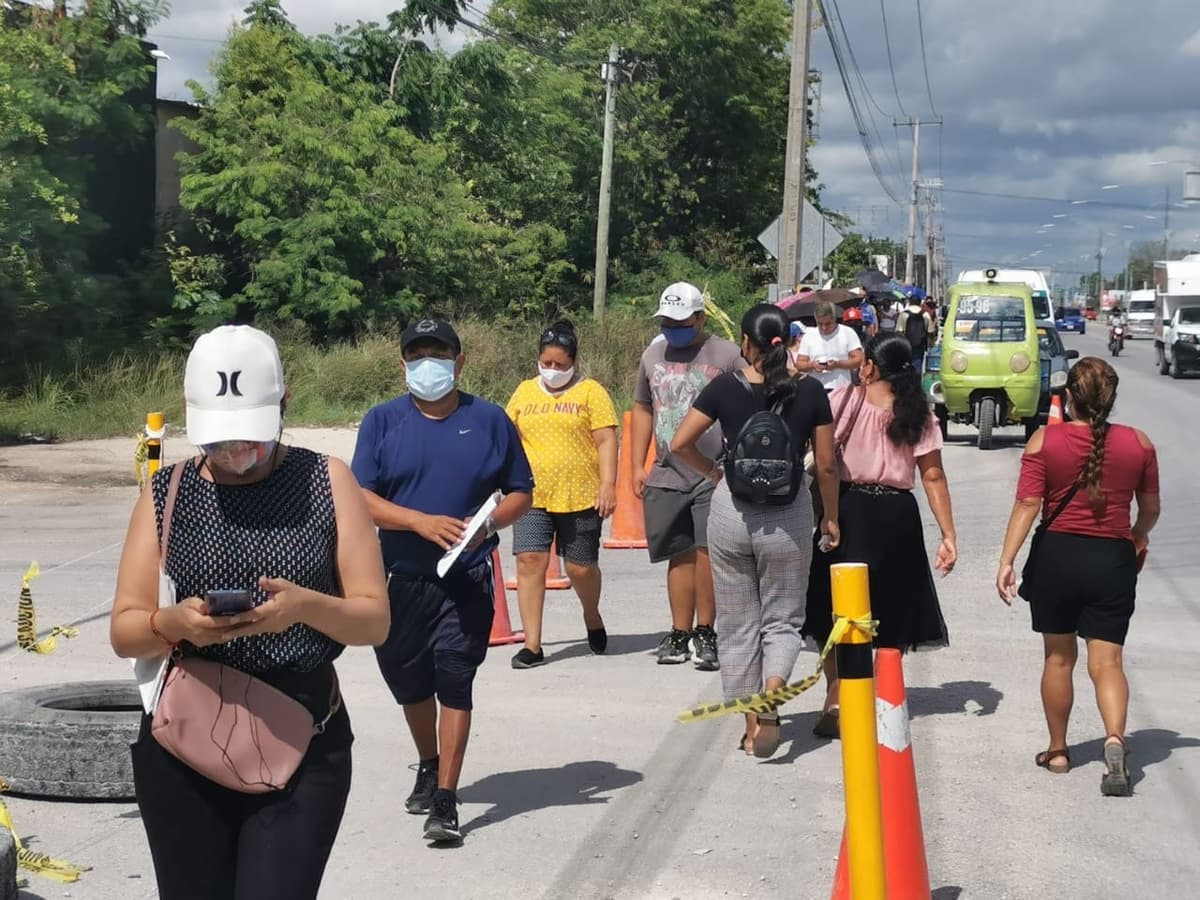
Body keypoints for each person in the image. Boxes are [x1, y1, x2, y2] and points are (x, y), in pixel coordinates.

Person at [111, 325, 390, 900]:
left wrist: (305, 607)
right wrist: (173, 624)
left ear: (284, 404)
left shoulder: (327, 480)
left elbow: (374, 620)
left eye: (251, 438)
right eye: (219, 441)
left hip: (302, 731)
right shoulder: (166, 493)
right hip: (185, 735)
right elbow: (125, 629)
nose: (236, 454)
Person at [351, 318, 534, 843]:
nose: (427, 363)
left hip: (467, 576)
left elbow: (520, 491)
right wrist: (417, 521)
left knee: (455, 678)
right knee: (409, 681)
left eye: (438, 353)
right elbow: (360, 496)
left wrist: (487, 527)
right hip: (401, 578)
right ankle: (428, 763)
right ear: (402, 363)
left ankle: (447, 799)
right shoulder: (382, 421)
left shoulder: (490, 420)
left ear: (459, 361)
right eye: (417, 354)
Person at [670, 304, 840, 758]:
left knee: (738, 622)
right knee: (782, 619)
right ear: (789, 341)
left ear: (746, 343)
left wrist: (714, 473)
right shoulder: (811, 391)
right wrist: (831, 516)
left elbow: (679, 443)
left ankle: (752, 725)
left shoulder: (725, 387)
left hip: (732, 512)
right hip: (789, 515)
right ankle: (774, 689)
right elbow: (826, 464)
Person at [996, 357, 1159, 795]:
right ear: (1111, 399)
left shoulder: (1044, 441)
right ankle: (1114, 741)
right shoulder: (1139, 443)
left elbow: (1028, 505)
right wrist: (1137, 538)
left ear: (1069, 396)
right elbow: (1150, 509)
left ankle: (1058, 751)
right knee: (1108, 663)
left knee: (1058, 658)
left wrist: (1007, 560)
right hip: (1113, 560)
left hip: (1057, 558)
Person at [804, 332, 957, 738]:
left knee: (837, 606)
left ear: (869, 366)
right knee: (892, 607)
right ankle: (882, 696)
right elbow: (933, 476)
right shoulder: (919, 414)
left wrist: (828, 516)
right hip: (897, 516)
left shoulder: (842, 401)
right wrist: (948, 534)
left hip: (847, 509)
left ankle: (837, 695)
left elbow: (824, 462)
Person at [632, 281, 743, 670]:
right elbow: (643, 407)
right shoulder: (653, 355)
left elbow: (747, 400)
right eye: (666, 322)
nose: (672, 329)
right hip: (667, 472)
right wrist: (637, 464)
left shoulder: (726, 355)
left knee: (707, 552)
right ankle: (679, 631)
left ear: (700, 318)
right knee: (677, 554)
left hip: (712, 472)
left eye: (680, 322)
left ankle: (706, 630)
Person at [504, 320, 619, 668]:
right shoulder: (524, 392)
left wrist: (608, 484)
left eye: (560, 364)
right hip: (532, 495)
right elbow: (508, 437)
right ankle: (533, 644)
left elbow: (606, 440)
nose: (552, 369)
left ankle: (591, 615)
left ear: (574, 362)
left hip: (580, 494)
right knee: (529, 561)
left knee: (580, 567)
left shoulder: (591, 392)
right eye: (546, 362)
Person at [794, 301, 865, 393]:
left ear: (834, 319)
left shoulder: (848, 332)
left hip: (841, 389)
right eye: (820, 324)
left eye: (828, 323)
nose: (824, 327)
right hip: (816, 389)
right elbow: (799, 364)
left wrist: (838, 364)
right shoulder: (809, 335)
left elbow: (859, 360)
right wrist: (812, 365)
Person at [898, 298, 936, 373]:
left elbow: (899, 331)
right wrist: (929, 346)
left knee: (906, 364)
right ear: (920, 303)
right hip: (920, 344)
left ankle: (907, 378)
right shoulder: (925, 314)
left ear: (910, 302)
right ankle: (917, 378)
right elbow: (930, 332)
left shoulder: (903, 314)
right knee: (918, 363)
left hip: (906, 344)